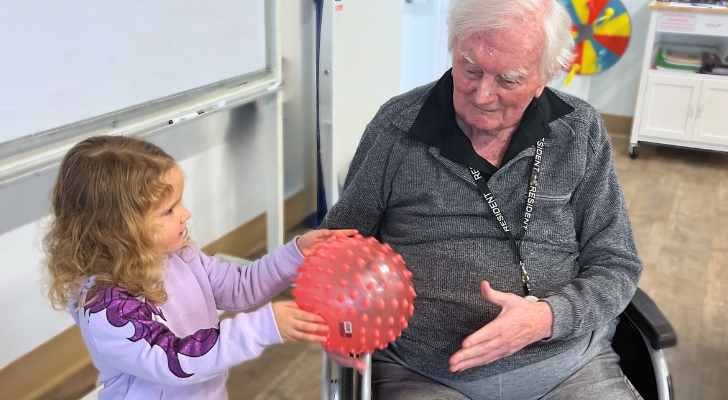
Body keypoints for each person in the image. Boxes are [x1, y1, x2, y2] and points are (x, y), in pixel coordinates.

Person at [321, 0, 642, 398]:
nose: (483, 95)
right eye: (470, 69)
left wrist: (546, 318)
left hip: (568, 366)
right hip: (427, 372)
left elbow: (617, 262)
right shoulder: (397, 128)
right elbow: (338, 243)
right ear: (453, 48)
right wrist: (339, 320)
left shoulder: (579, 131)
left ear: (547, 75)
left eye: (508, 79)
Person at [43, 136, 356, 399]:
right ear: (117, 228)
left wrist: (297, 253)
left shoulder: (181, 258)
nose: (186, 214)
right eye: (168, 211)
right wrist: (261, 327)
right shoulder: (105, 307)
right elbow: (172, 359)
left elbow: (240, 288)